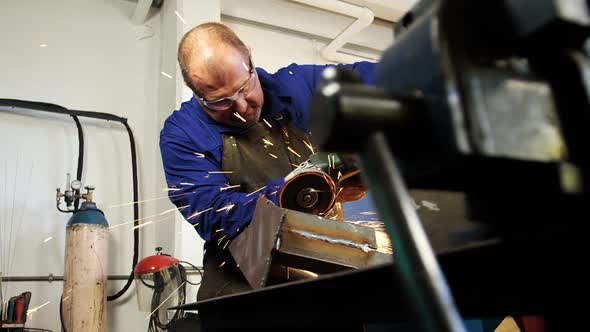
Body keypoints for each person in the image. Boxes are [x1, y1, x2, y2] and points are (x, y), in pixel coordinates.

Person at [159, 22, 377, 301]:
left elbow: (382, 80)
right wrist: (292, 191)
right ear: (196, 93)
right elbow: (214, 213)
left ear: (249, 58)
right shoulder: (183, 135)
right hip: (242, 296)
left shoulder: (297, 85)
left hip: (327, 281)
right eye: (220, 102)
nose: (241, 106)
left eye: (244, 87)